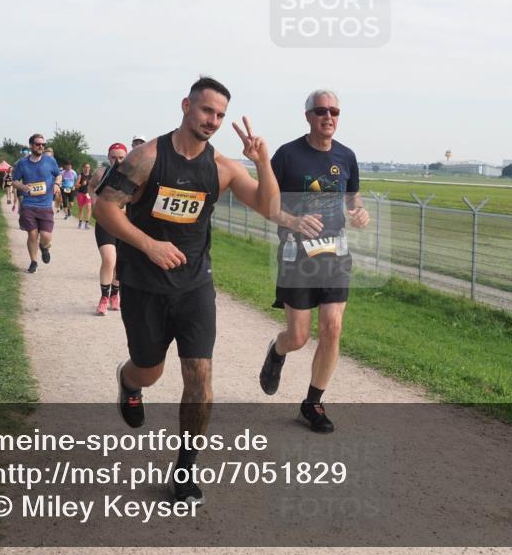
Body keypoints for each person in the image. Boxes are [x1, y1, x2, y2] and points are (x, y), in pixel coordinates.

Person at [94, 76, 278, 507]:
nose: (212, 120)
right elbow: (105, 207)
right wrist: (149, 245)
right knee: (149, 369)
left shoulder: (223, 167)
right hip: (144, 284)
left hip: (194, 286)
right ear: (186, 106)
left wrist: (263, 162)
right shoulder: (146, 157)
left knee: (200, 376)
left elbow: (269, 207)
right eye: (206, 110)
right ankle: (129, 381)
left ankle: (185, 469)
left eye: (220, 115)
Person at [258, 89, 370, 433]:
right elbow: (265, 203)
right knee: (298, 336)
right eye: (321, 111)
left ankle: (313, 403)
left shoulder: (346, 156)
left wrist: (359, 212)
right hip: (297, 255)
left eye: (334, 111)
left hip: (335, 254)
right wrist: (293, 221)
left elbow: (352, 197)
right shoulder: (287, 155)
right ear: (308, 116)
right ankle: (278, 350)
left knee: (332, 327)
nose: (328, 116)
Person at [11, 133, 62, 274]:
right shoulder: (22, 163)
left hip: (45, 205)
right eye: (38, 144)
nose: (41, 147)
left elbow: (58, 174)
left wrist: (57, 184)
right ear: (31, 145)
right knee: (32, 234)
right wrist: (22, 187)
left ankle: (44, 247)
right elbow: (14, 181)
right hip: (29, 204)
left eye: (43, 144)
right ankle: (33, 261)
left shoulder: (50, 161)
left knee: (46, 236)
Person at [88, 143, 128, 315]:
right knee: (109, 259)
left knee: (120, 262)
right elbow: (91, 186)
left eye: (121, 157)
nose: (117, 161)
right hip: (105, 223)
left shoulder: (134, 175)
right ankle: (104, 297)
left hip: (125, 225)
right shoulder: (100, 173)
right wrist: (94, 199)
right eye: (113, 157)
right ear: (108, 157)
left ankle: (114, 295)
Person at [75, 162, 93, 229]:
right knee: (81, 208)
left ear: (90, 168)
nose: (87, 168)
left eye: (88, 167)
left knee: (89, 207)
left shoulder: (91, 176)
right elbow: (76, 185)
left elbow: (93, 185)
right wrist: (81, 184)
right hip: (81, 193)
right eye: (86, 167)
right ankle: (80, 222)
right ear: (83, 168)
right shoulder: (80, 175)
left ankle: (86, 223)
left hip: (88, 194)